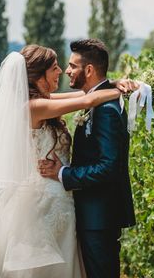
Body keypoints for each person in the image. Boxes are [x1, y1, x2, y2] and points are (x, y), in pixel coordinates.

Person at [0, 44, 136, 277]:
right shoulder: (34, 106)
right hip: (44, 200)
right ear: (39, 75)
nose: (62, 72)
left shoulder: (44, 102)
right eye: (55, 68)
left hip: (61, 198)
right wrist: (126, 90)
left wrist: (113, 83)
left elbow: (86, 94)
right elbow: (88, 101)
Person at [39, 39, 136, 278]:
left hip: (99, 218)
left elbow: (108, 167)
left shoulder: (106, 110)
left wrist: (63, 173)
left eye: (72, 66)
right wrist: (115, 84)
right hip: (90, 215)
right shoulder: (96, 101)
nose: (67, 71)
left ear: (89, 70)